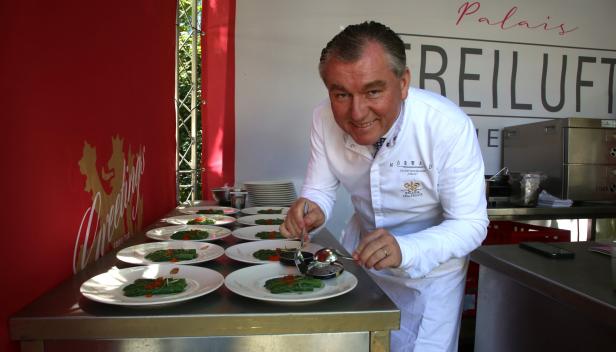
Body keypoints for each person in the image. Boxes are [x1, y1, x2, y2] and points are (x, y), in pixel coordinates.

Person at [280, 21, 488, 352]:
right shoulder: (322, 118)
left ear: (403, 83)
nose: (357, 112)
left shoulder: (446, 126)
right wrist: (311, 207)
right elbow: (319, 188)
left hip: (429, 279)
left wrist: (407, 249)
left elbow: (471, 225)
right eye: (341, 94)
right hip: (361, 266)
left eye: (373, 91)